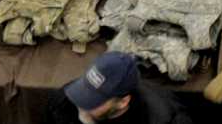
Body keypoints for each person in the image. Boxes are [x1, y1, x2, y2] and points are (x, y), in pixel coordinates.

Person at [50, 52, 188, 124]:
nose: (80, 105)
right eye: (83, 90)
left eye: (94, 100)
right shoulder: (65, 101)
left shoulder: (166, 118)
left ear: (123, 102)